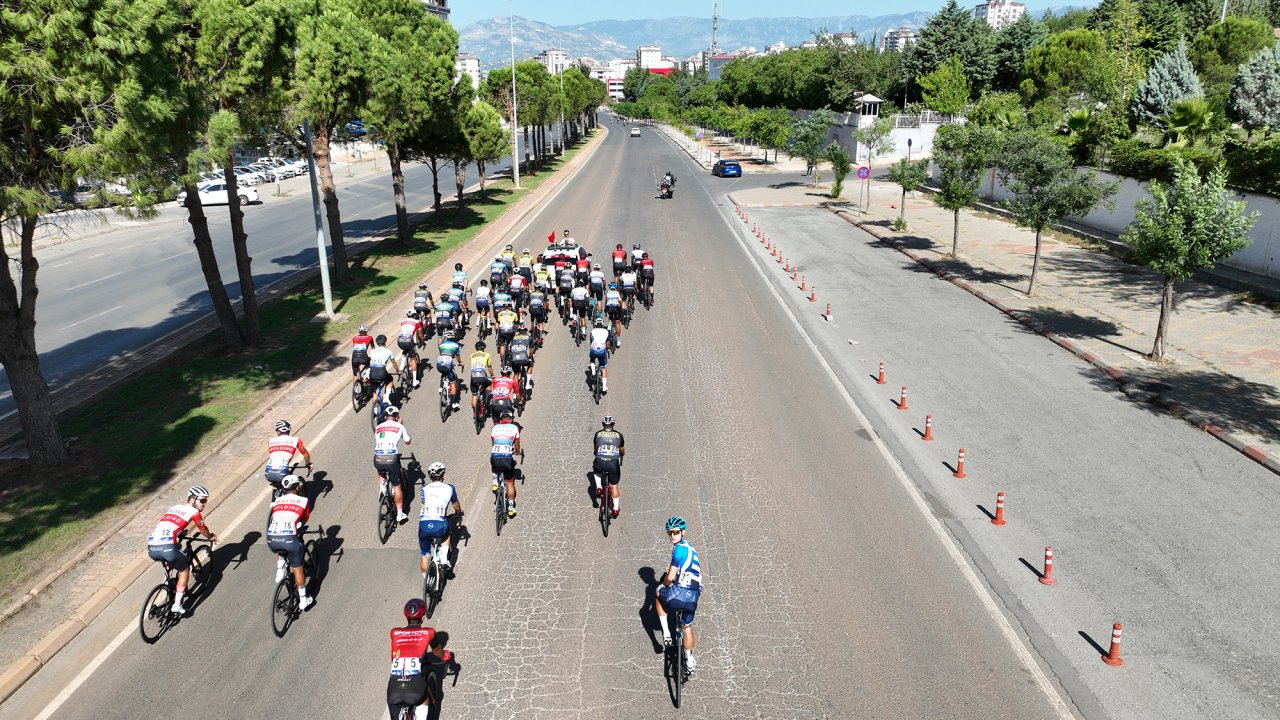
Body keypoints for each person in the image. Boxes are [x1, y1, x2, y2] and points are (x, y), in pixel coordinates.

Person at [146, 486, 219, 614]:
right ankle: (177, 605)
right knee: (185, 569)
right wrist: (210, 536)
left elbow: (169, 525)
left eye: (206, 501)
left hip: (152, 546)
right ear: (192, 500)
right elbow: (203, 529)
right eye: (202, 501)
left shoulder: (174, 508)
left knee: (176, 550)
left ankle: (167, 583)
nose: (204, 504)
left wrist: (181, 532)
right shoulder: (194, 513)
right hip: (168, 546)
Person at [655, 516, 703, 673]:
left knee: (658, 593)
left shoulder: (678, 550)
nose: (672, 536)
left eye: (675, 532)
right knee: (686, 626)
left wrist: (663, 585)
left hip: (679, 594)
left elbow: (670, 576)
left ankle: (667, 635)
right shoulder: (692, 550)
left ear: (683, 532)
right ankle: (689, 661)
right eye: (669, 533)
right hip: (694, 597)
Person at [266, 475, 314, 611]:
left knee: (280, 547)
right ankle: (304, 600)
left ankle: (280, 570)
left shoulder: (277, 501)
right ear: (297, 487)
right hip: (289, 539)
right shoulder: (303, 500)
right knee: (297, 569)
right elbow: (304, 519)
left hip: (271, 538)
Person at [386, 599, 434, 720]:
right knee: (424, 700)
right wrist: (445, 656)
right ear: (423, 618)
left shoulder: (394, 632)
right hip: (415, 689)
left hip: (393, 690)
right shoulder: (428, 632)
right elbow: (438, 652)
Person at [419, 462, 462, 576]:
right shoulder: (450, 488)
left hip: (424, 524)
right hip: (439, 523)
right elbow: (455, 504)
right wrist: (458, 512)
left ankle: (427, 581)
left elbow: (424, 503)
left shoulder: (424, 488)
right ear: (443, 475)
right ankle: (443, 560)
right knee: (446, 534)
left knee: (425, 554)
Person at [374, 405, 413, 523]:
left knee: (380, 467)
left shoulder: (378, 427)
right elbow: (408, 441)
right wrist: (402, 425)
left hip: (378, 458)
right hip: (392, 458)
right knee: (397, 486)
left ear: (385, 417)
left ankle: (382, 487)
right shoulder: (399, 426)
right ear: (397, 417)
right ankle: (400, 514)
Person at [490, 409, 522, 518]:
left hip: (495, 455)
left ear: (501, 419)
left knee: (495, 467)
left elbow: (493, 443)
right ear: (511, 419)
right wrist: (517, 452)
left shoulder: (495, 428)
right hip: (507, 458)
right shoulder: (514, 428)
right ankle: (511, 508)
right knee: (510, 483)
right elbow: (517, 445)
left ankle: (495, 481)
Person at [592, 416, 625, 518]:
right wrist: (621, 455)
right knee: (614, 486)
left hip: (600, 460)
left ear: (603, 425)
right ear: (613, 425)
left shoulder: (598, 434)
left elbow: (596, 449)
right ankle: (615, 509)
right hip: (613, 463)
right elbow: (621, 450)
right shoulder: (619, 435)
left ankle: (598, 487)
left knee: (596, 470)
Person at [266, 420, 311, 490]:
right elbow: (305, 454)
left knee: (278, 486)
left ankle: (276, 490)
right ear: (289, 430)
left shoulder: (270, 441)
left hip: (268, 472)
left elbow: (275, 455)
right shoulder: (296, 440)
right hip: (282, 471)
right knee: (293, 488)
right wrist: (308, 464)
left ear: (277, 431)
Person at [435, 330, 463, 412]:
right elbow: (457, 357)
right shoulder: (456, 345)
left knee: (443, 372)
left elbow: (443, 353)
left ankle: (441, 387)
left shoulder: (441, 345)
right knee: (453, 382)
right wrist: (460, 362)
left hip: (439, 364)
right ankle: (454, 403)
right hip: (448, 364)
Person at [397, 310, 423, 389]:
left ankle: (401, 368)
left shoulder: (403, 321)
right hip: (409, 341)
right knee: (413, 359)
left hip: (400, 340)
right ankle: (415, 381)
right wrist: (423, 341)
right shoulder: (417, 322)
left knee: (405, 351)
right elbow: (420, 334)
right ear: (415, 315)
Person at [468, 340, 494, 414]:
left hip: (473, 376)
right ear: (484, 348)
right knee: (489, 383)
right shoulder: (487, 355)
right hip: (482, 376)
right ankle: (486, 401)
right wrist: (492, 375)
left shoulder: (471, 355)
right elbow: (489, 367)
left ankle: (475, 412)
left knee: (474, 396)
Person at [588, 318, 612, 394]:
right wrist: (608, 350)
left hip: (594, 349)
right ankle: (604, 387)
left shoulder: (592, 331)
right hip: (602, 350)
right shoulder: (606, 331)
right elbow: (607, 343)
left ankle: (593, 372)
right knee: (603, 368)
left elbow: (591, 341)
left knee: (592, 360)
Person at [508, 328, 534, 392]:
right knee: (530, 364)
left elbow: (510, 350)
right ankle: (527, 384)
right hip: (523, 358)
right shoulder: (529, 338)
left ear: (519, 332)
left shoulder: (513, 337)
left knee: (516, 374)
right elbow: (531, 350)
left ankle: (515, 392)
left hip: (514, 358)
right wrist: (530, 357)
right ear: (525, 331)